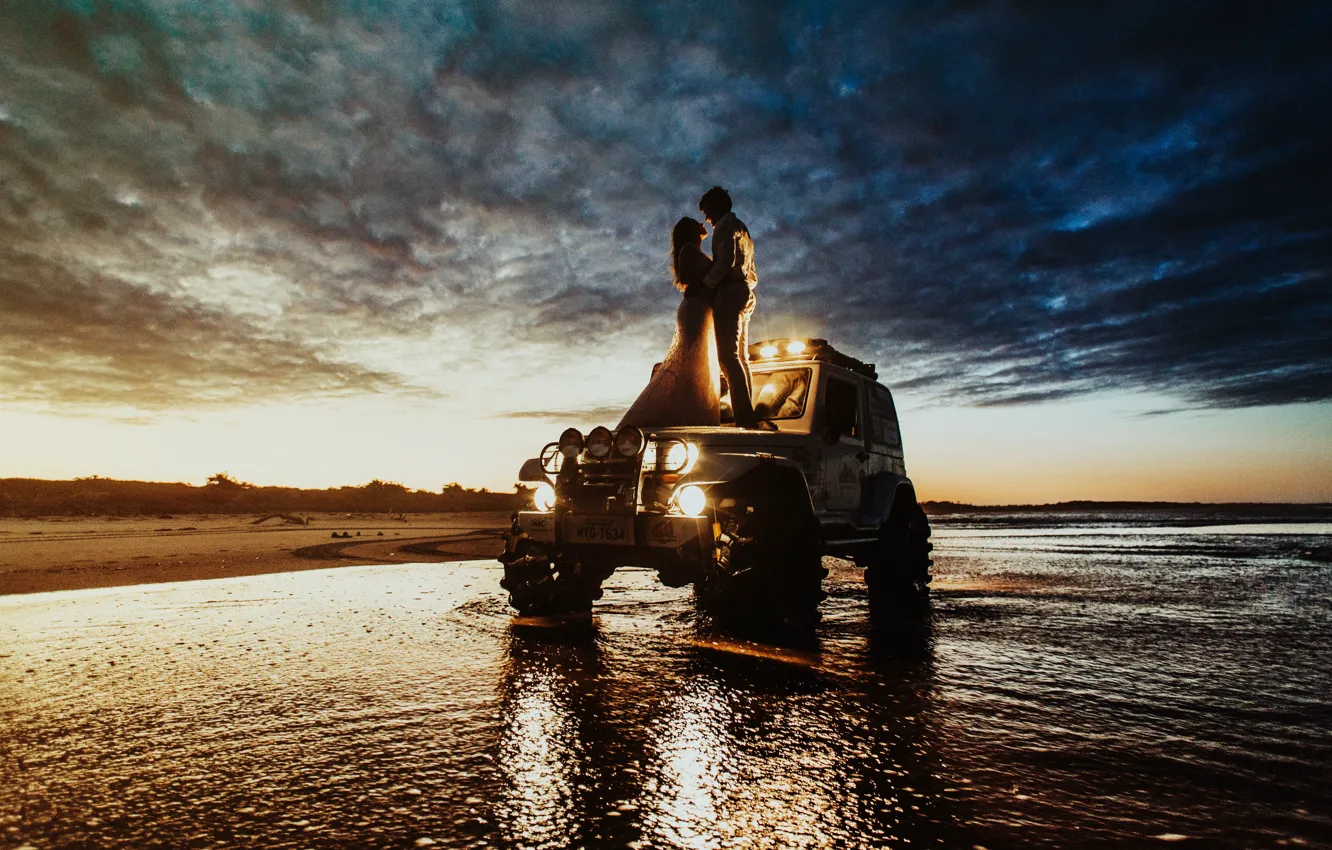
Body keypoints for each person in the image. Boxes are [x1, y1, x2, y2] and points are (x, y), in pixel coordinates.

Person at [617, 217, 721, 428]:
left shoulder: (693, 250)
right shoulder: (688, 250)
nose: (702, 222)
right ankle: (689, 413)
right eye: (696, 221)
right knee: (692, 359)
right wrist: (707, 284)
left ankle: (691, 411)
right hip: (695, 309)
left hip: (702, 308)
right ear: (690, 230)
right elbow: (685, 278)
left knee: (699, 362)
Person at [698, 186, 760, 428]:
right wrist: (745, 289)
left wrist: (708, 286)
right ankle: (748, 414)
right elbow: (752, 273)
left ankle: (745, 420)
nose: (707, 219)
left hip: (729, 292)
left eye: (708, 212)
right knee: (741, 359)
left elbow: (725, 262)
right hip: (745, 292)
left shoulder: (724, 227)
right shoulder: (743, 229)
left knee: (728, 358)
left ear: (717, 207)